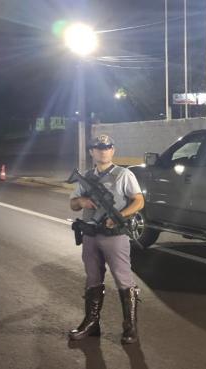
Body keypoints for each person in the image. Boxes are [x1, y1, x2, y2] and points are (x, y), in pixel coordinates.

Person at [68, 134, 145, 344]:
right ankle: (92, 324)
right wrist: (82, 201)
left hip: (114, 236)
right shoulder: (86, 177)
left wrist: (121, 216)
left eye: (107, 147)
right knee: (92, 278)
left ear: (113, 150)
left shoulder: (124, 174)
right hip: (91, 235)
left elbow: (139, 201)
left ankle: (130, 327)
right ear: (92, 152)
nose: (103, 151)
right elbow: (73, 204)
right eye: (98, 148)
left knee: (123, 280)